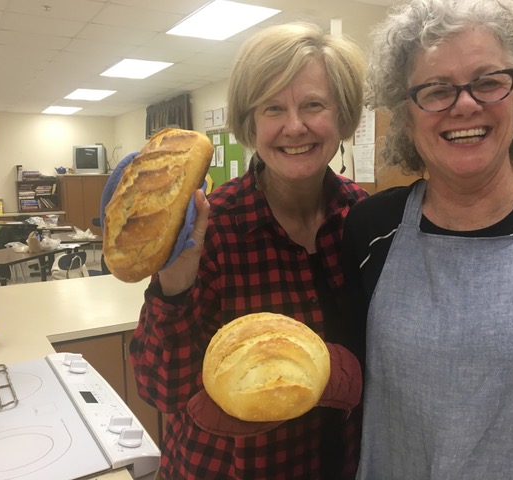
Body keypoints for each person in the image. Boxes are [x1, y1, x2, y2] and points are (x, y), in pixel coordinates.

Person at [341, 0, 513, 478]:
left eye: (488, 81)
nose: (465, 104)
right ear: (405, 114)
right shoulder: (369, 229)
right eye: (436, 89)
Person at [129, 23, 368, 479]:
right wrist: (175, 282)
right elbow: (161, 390)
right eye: (273, 107)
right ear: (250, 122)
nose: (294, 126)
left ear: (343, 116)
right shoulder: (209, 224)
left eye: (313, 105)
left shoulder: (364, 220)